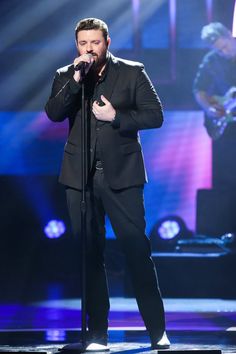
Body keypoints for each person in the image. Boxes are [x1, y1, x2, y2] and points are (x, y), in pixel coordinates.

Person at [45, 17, 170, 351]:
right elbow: (54, 113)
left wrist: (117, 118)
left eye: (95, 43)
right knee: (89, 253)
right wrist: (74, 81)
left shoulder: (131, 72)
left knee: (136, 250)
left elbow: (155, 115)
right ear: (77, 46)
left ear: (107, 43)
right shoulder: (65, 76)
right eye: (83, 43)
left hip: (123, 175)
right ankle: (98, 333)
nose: (89, 49)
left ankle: (157, 330)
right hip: (79, 177)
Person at [193, 22, 236, 193]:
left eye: (225, 46)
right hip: (229, 127)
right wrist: (209, 108)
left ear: (229, 35)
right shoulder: (211, 60)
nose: (224, 52)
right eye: (219, 50)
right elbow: (198, 89)